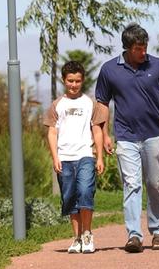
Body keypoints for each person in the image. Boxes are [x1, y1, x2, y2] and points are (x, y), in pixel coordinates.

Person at [95, 23, 159, 253]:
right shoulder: (109, 70)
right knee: (132, 184)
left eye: (145, 47)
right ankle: (134, 235)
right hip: (126, 136)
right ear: (127, 48)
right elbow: (102, 103)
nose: (143, 52)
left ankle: (158, 232)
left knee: (155, 184)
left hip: (152, 135)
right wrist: (104, 134)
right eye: (138, 48)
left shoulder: (156, 65)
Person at [44, 60, 107, 254]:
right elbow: (52, 133)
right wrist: (55, 157)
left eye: (77, 81)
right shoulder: (57, 105)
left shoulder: (90, 103)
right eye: (70, 81)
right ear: (64, 80)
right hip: (64, 157)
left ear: (83, 81)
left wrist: (99, 157)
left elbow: (97, 130)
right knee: (69, 197)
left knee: (85, 192)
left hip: (85, 155)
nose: (73, 84)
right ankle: (77, 238)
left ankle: (87, 234)